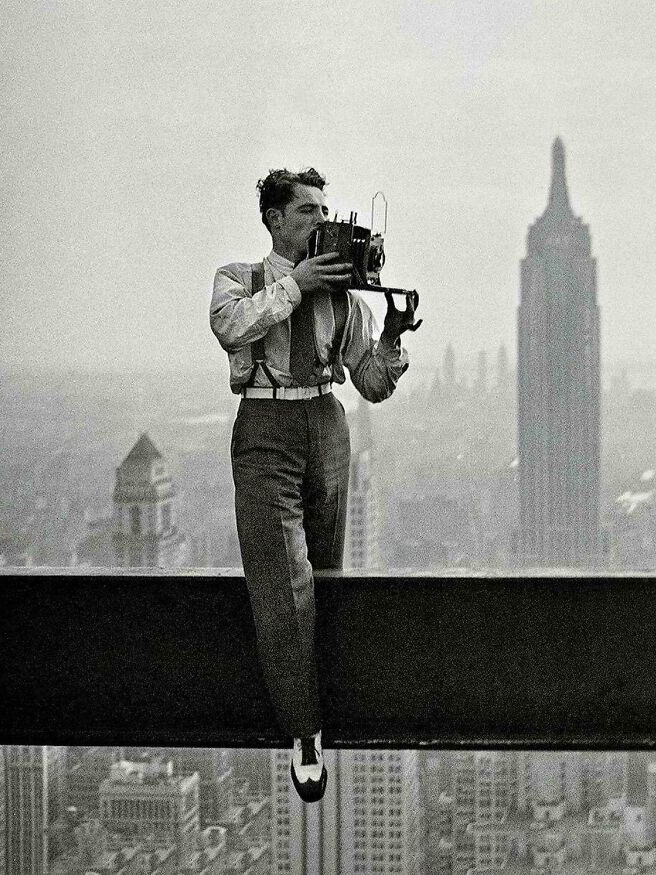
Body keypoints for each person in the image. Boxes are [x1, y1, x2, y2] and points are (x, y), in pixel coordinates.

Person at [210, 167, 420, 803]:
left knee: (326, 577)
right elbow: (230, 327)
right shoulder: (239, 278)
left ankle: (323, 703)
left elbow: (373, 385)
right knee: (285, 582)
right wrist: (294, 286)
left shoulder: (344, 298)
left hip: (327, 425)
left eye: (325, 209)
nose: (322, 221)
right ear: (275, 220)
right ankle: (305, 731)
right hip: (265, 424)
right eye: (307, 212)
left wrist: (389, 334)